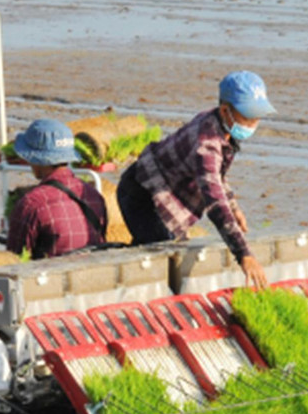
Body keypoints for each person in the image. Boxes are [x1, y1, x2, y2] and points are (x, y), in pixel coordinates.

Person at [116, 70, 274, 289]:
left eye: (256, 117)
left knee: (165, 251)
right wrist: (244, 254)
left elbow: (218, 177)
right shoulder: (206, 143)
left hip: (167, 195)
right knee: (159, 262)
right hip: (144, 195)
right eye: (247, 117)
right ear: (225, 110)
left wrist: (234, 207)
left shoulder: (222, 126)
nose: (252, 124)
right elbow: (215, 202)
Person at [5, 119, 108, 260]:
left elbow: (13, 260)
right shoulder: (93, 194)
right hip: (89, 275)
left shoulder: (31, 203)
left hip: (48, 279)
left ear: (34, 158)